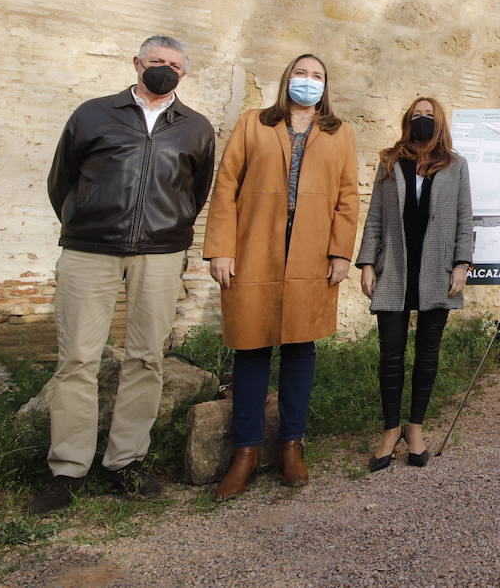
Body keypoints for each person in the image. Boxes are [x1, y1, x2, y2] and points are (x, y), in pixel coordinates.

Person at [31, 35, 216, 515]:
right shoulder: (93, 113)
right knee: (77, 359)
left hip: (159, 254)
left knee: (147, 358)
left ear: (184, 73)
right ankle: (67, 469)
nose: (164, 70)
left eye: (174, 64)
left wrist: (166, 229)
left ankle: (125, 462)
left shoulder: (196, 127)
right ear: (137, 63)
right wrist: (86, 218)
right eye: (156, 61)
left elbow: (196, 191)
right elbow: (62, 180)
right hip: (89, 250)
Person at [203, 54, 359, 501]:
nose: (307, 81)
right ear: (287, 78)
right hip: (255, 249)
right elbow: (227, 183)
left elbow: (348, 197)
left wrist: (340, 253)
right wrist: (221, 248)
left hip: (310, 253)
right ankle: (246, 452)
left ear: (325, 85)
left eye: (316, 76)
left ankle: (292, 444)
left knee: (299, 346)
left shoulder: (339, 132)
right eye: (300, 73)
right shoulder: (254, 123)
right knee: (251, 347)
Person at [356, 97, 473, 471]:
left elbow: (463, 216)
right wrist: (367, 262)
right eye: (416, 115)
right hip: (394, 266)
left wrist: (462, 264)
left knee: (427, 352)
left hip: (437, 267)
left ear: (439, 123)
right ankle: (390, 429)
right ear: (408, 120)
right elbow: (375, 214)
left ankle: (416, 427)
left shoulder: (456, 165)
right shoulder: (390, 160)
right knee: (390, 352)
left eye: (429, 116)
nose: (422, 120)